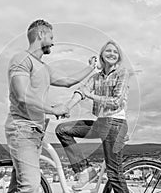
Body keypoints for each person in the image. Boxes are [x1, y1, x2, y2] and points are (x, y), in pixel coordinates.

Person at [5, 19, 97, 193]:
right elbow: (22, 95)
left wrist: (90, 68)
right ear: (41, 34)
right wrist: (53, 109)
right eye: (51, 37)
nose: (53, 42)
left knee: (18, 186)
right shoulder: (22, 59)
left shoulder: (44, 68)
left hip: (36, 131)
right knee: (31, 187)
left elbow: (68, 81)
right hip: (22, 129)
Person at [56, 40, 130, 192]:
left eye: (115, 52)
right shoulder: (96, 77)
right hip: (101, 123)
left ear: (119, 57)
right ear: (102, 55)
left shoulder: (122, 73)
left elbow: (116, 101)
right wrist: (66, 108)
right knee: (62, 130)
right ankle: (85, 171)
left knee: (114, 174)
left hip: (115, 124)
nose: (112, 54)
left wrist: (92, 96)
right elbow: (81, 92)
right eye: (108, 51)